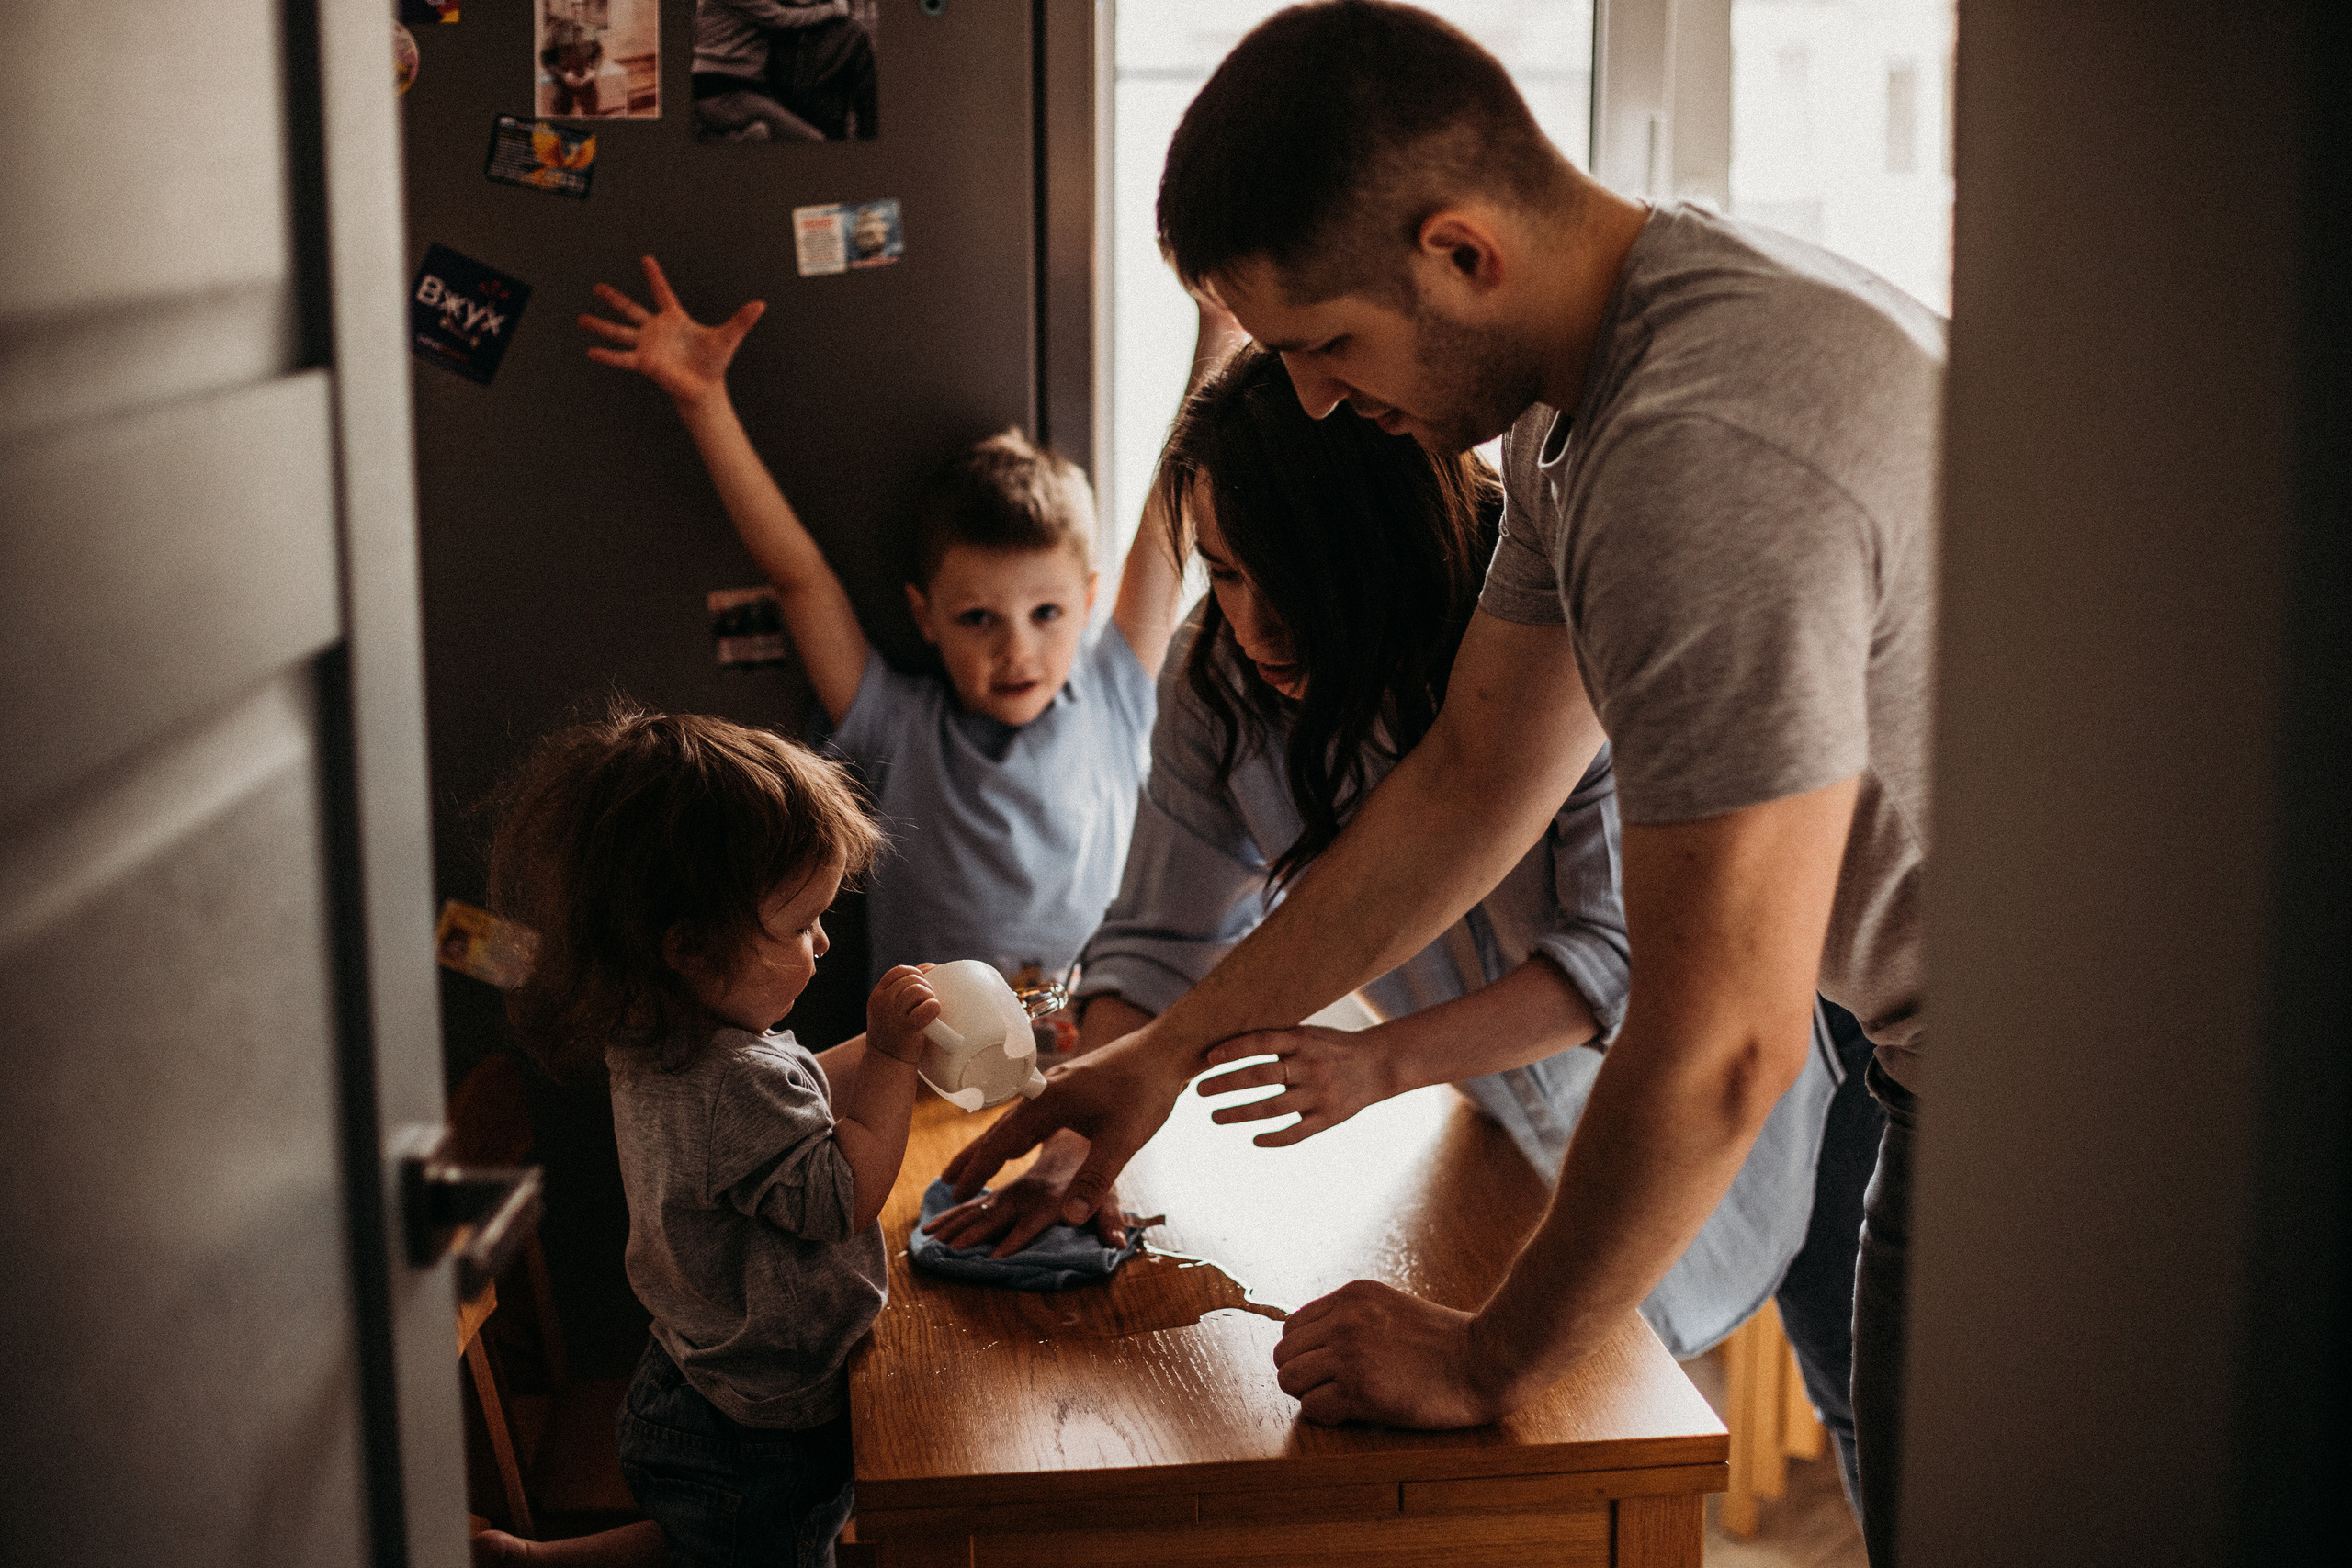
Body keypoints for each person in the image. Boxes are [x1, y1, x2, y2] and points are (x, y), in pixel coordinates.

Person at [948, 5, 1939, 1561]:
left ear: (1460, 252)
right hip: (1925, 1053)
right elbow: (1475, 781)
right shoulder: (1573, 415)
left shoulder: (1698, 450)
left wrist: (1489, 1353)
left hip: (2073, 1096)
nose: (1323, 404)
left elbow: (1722, 1037)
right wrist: (1161, 1055)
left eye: (1329, 345)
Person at [927, 346, 1882, 1487]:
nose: (1258, 626)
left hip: (1793, 1103)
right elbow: (1159, 938)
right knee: (1554, 1445)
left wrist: (1383, 1061)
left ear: (1380, 541)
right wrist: (1088, 1149)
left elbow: (1616, 961)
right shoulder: (1218, 681)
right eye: (1225, 573)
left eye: (1292, 577)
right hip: (1505, 1137)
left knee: (1872, 1411)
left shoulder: (1551, 625)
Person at [581, 256, 1231, 988]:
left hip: (1091, 1048)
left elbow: (1171, 513)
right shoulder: (897, 726)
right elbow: (799, 578)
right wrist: (705, 404)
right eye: (977, 617)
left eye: (1046, 613)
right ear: (925, 615)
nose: (1017, 648)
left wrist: (1223, 329)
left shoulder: (1113, 689)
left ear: (1086, 602)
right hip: (927, 1077)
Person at [481, 705, 931, 1568]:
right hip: (755, 1424)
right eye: (800, 925)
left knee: (711, 1544)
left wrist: (885, 1055)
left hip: (697, 1382)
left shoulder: (661, 1030)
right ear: (687, 945)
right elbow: (844, 1194)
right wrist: (894, 1058)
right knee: (763, 1545)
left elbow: (794, 1092)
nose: (825, 941)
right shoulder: (733, 1077)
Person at [689, 0, 876, 142]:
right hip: (723, 89)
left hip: (828, 132)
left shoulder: (852, 34)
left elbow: (869, 108)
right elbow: (782, 18)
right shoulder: (772, 26)